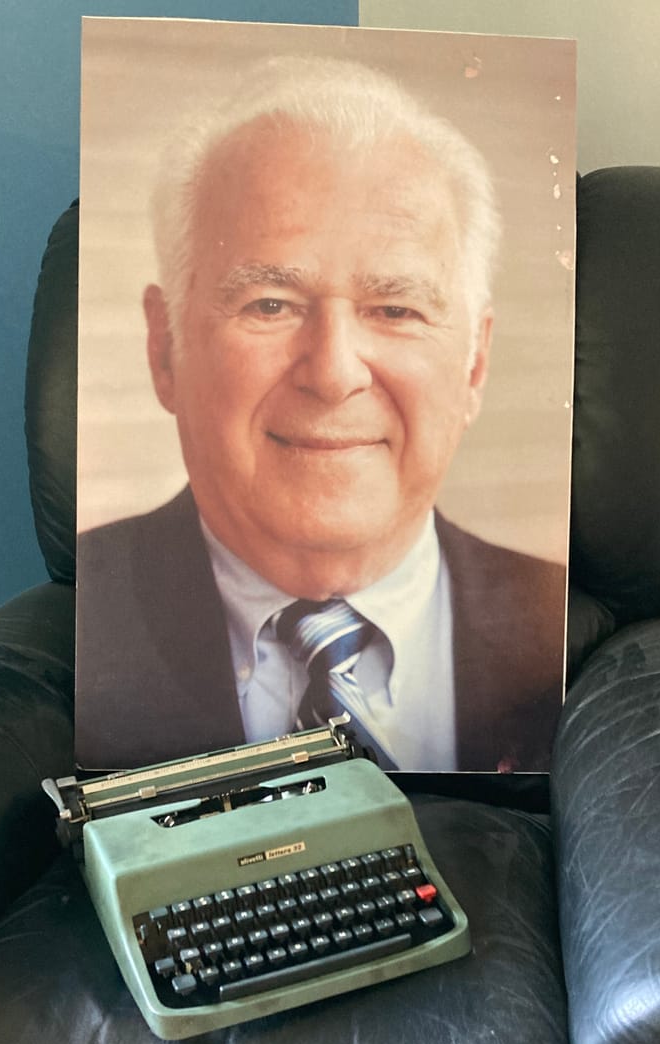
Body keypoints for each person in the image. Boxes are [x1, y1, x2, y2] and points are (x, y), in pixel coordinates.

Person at [76, 55, 566, 774]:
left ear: (475, 364)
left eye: (396, 309)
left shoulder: (560, 629)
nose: (334, 374)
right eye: (269, 304)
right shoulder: (80, 626)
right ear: (164, 347)